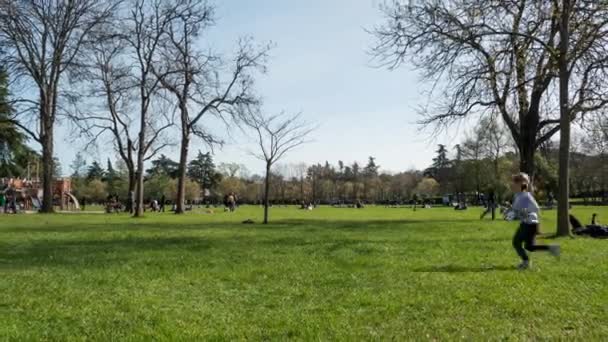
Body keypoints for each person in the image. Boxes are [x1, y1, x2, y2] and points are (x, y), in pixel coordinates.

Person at [510, 173, 560, 270]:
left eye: (515, 183)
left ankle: (526, 262)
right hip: (527, 223)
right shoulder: (518, 195)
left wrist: (525, 212)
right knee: (529, 247)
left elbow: (536, 208)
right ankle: (551, 248)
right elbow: (517, 209)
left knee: (517, 242)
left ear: (521, 184)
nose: (512, 185)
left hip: (530, 224)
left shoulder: (526, 196)